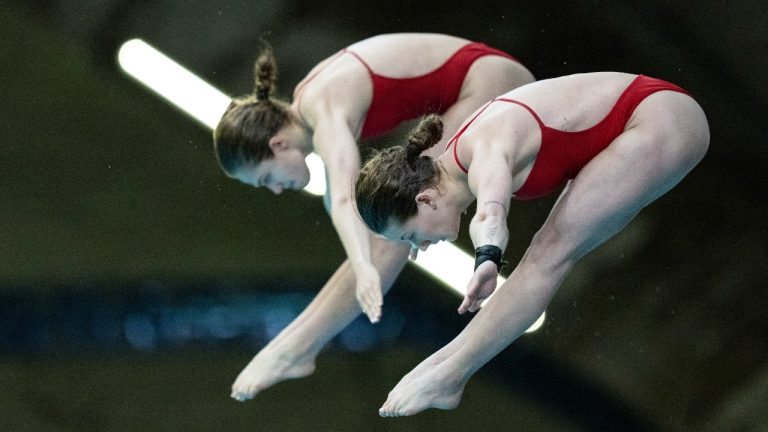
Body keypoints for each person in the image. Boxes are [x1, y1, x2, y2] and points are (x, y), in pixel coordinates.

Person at [354, 72, 709, 416]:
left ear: (426, 200)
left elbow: (491, 215)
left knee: (548, 254)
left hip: (660, 117)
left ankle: (450, 374)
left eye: (410, 236)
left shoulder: (485, 148)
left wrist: (488, 258)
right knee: (545, 253)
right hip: (645, 115)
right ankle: (441, 364)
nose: (422, 247)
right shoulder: (459, 160)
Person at [213, 33, 535, 401]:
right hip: (484, 78)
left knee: (387, 230)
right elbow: (341, 201)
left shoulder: (324, 106)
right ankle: (293, 343)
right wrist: (362, 261)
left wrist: (366, 264)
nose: (275, 189)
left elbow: (344, 202)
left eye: (267, 178)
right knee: (386, 227)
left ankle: (296, 348)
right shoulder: (315, 104)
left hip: (492, 82)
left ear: (278, 144)